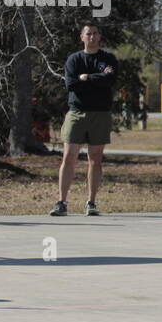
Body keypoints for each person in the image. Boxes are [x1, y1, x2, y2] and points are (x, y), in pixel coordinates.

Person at [51, 23, 117, 217]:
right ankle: (62, 202)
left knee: (95, 158)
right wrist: (96, 80)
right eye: (88, 33)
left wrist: (86, 78)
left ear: (99, 37)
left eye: (95, 33)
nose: (92, 36)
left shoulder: (108, 59)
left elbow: (110, 80)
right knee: (69, 155)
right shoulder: (74, 59)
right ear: (82, 37)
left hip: (100, 113)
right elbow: (71, 84)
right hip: (76, 112)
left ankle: (91, 202)